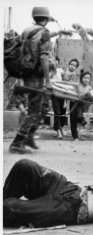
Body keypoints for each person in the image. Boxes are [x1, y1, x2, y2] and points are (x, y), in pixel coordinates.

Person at [8, 7, 54, 154]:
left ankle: (29, 136)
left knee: (44, 107)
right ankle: (17, 143)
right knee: (36, 111)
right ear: (46, 19)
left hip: (26, 73)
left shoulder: (27, 30)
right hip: (37, 76)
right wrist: (48, 80)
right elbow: (44, 57)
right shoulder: (44, 32)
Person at [70, 71, 93, 141]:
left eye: (88, 78)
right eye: (85, 78)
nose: (86, 80)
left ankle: (83, 123)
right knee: (73, 121)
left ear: (90, 80)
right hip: (74, 104)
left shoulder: (89, 88)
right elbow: (73, 94)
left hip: (81, 105)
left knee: (79, 116)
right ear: (81, 78)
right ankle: (75, 137)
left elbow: (91, 99)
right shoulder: (77, 86)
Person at [50, 56, 67, 139]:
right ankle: (58, 131)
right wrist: (53, 71)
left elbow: (66, 81)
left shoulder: (61, 71)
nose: (55, 62)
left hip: (62, 94)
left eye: (56, 61)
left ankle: (61, 128)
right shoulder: (49, 72)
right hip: (54, 95)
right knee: (57, 113)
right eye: (53, 61)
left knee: (63, 113)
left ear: (58, 62)